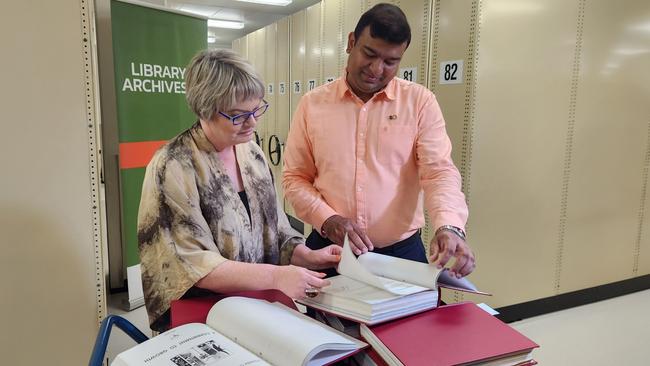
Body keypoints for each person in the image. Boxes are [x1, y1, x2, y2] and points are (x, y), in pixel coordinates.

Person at [137, 49, 341, 331]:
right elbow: (193, 265)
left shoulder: (251, 153)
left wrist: (307, 255)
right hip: (204, 317)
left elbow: (277, 230)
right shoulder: (173, 165)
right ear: (204, 109)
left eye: (256, 109)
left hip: (255, 306)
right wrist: (275, 277)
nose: (253, 122)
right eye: (238, 115)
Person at [282, 3, 475, 279]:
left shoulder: (420, 103)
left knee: (408, 323)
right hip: (332, 250)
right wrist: (328, 220)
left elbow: (439, 172)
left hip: (402, 254)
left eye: (390, 62)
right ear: (351, 42)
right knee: (322, 324)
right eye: (369, 54)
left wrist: (449, 227)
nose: (376, 69)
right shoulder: (312, 105)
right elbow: (295, 178)